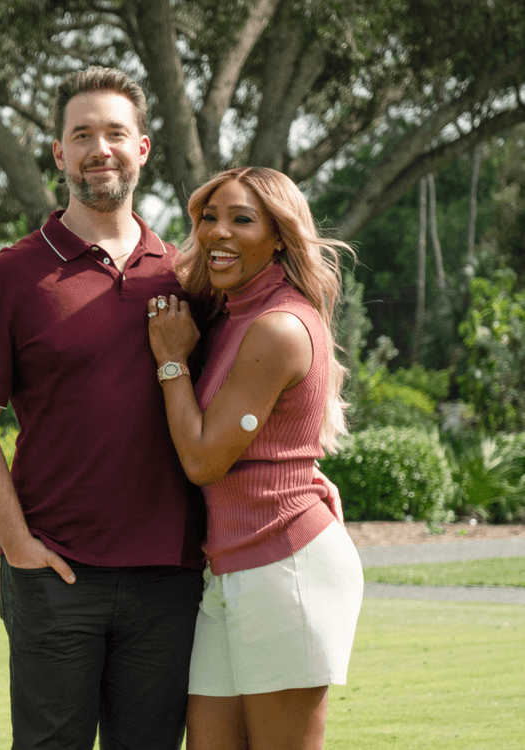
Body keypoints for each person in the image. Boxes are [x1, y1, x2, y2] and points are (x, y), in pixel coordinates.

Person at [0, 66, 206, 750]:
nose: (100, 148)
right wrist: (16, 543)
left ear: (143, 148)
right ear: (58, 154)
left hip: (169, 576)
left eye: (115, 133)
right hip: (54, 573)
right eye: (81, 134)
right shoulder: (8, 279)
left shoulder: (185, 275)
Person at [146, 166, 364, 750]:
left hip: (285, 568)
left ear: (279, 237)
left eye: (242, 219)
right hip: (229, 568)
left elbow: (201, 462)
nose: (219, 232)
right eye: (208, 218)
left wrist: (170, 361)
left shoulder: (278, 327)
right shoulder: (229, 312)